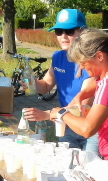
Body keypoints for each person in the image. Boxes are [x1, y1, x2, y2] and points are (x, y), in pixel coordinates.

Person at [26, 28, 108, 172]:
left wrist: (61, 113)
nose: (81, 67)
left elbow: (87, 129)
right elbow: (97, 84)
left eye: (83, 62)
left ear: (99, 56)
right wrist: (80, 95)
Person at [23, 9, 98, 153]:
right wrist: (32, 83)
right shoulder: (58, 57)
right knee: (68, 164)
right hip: (66, 123)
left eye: (69, 31)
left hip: (89, 128)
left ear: (82, 32)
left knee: (89, 164)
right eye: (58, 31)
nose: (63, 36)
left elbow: (82, 106)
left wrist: (47, 114)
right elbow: (46, 86)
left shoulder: (89, 61)